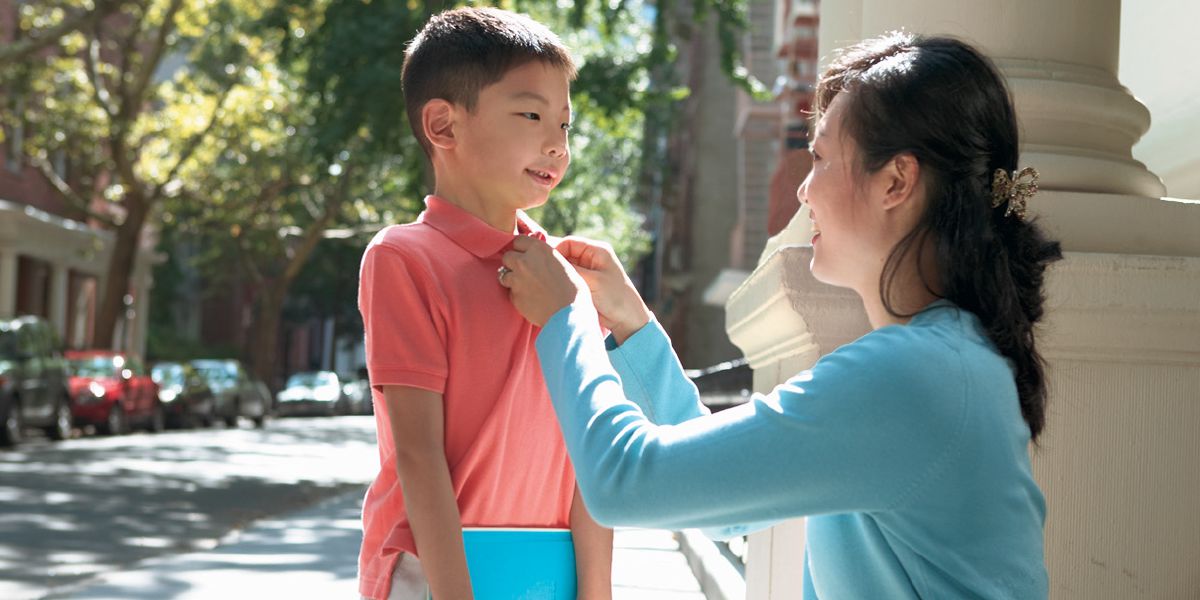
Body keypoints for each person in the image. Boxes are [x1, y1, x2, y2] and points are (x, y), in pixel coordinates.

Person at [498, 31, 1061, 599]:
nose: (803, 191)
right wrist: (630, 323)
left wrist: (567, 318)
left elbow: (623, 483)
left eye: (819, 158)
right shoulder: (946, 359)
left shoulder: (911, 374)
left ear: (896, 182)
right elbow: (722, 507)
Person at [356, 7, 611, 600]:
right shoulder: (403, 257)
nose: (558, 144)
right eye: (532, 115)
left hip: (552, 568)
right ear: (443, 126)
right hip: (436, 571)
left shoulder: (565, 276)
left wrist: (597, 591)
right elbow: (419, 456)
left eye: (566, 124)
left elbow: (589, 455)